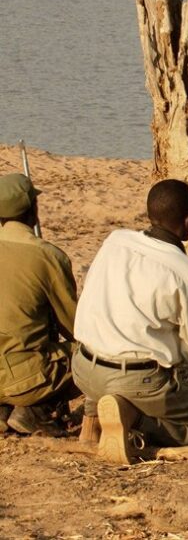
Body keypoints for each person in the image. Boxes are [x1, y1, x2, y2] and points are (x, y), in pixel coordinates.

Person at [72, 179, 188, 464]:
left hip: (83, 369)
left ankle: (92, 419)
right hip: (135, 379)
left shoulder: (114, 241)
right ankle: (134, 419)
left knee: (110, 337)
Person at [0, 173, 79, 436]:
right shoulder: (47, 255)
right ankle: (36, 411)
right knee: (94, 357)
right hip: (23, 377)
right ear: (34, 211)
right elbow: (75, 327)